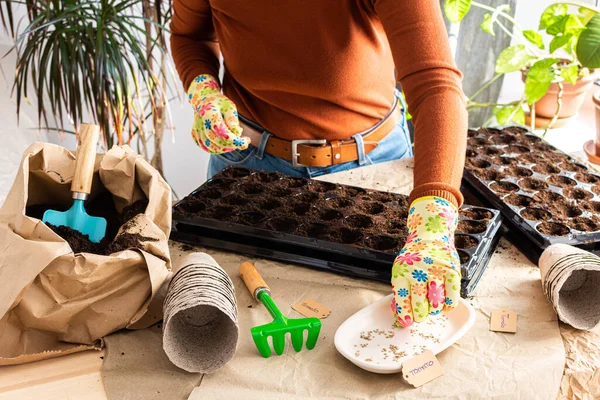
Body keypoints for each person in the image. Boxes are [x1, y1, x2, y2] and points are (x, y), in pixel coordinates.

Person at [171, 0, 467, 327]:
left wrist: (433, 224)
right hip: (247, 162)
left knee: (387, 321)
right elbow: (189, 36)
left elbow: (435, 85)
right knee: (230, 316)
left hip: (370, 163)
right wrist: (204, 93)